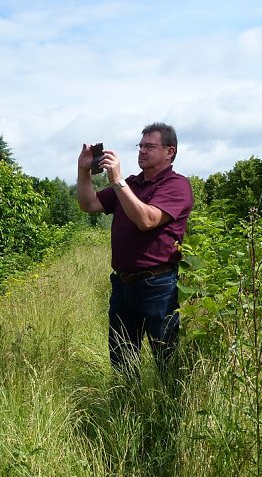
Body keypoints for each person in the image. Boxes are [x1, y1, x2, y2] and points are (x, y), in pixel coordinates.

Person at [76, 122, 194, 383]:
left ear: (169, 152)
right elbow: (89, 203)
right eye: (140, 146)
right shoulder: (132, 183)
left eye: (149, 146)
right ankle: (127, 408)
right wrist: (84, 171)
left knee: (167, 360)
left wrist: (117, 181)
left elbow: (147, 220)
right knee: (122, 360)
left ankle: (169, 413)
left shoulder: (177, 185)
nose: (142, 151)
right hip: (123, 285)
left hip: (158, 286)